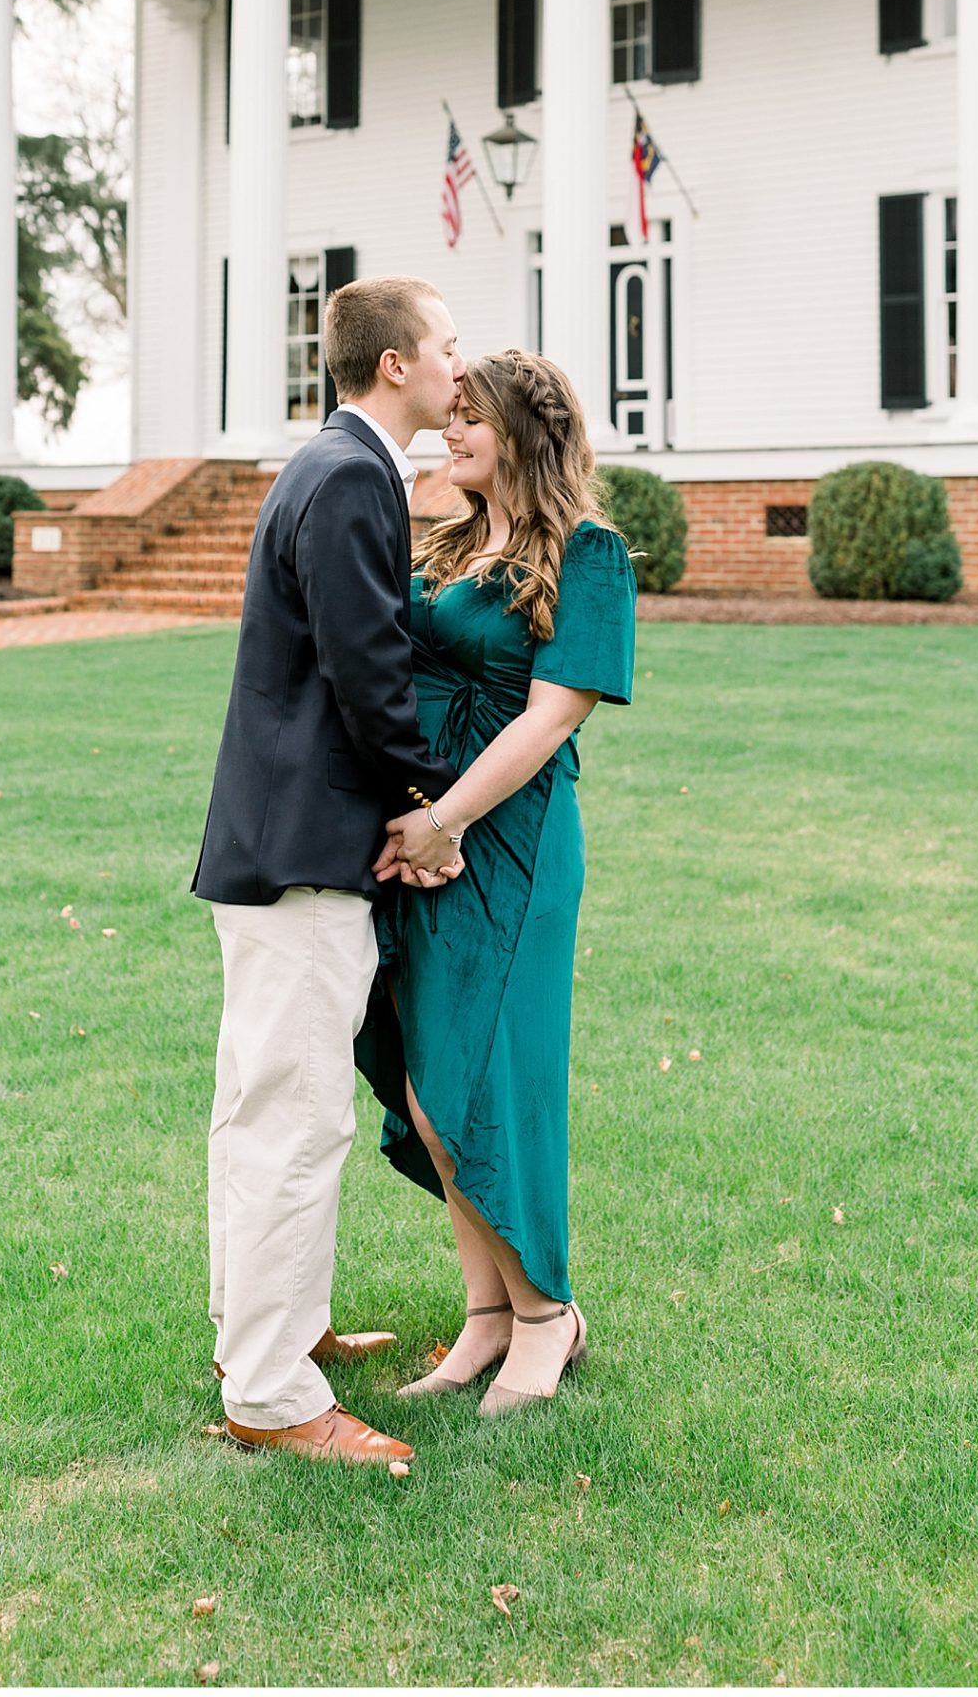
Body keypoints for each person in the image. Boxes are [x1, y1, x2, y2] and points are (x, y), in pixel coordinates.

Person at [194, 276, 468, 1467]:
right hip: (306, 853)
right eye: (448, 346)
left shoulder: (322, 465)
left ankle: (269, 1331)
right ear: (397, 363)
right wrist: (431, 809)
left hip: (273, 841)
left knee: (262, 1106)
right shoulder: (356, 475)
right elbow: (370, 675)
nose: (460, 367)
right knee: (294, 1120)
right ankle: (268, 1393)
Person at [362, 348, 638, 1416]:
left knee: (494, 1080)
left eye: (471, 417)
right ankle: (484, 1314)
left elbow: (551, 713)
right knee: (431, 1090)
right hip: (425, 839)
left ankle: (545, 1315)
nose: (450, 431)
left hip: (507, 845)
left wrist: (447, 819)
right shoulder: (456, 538)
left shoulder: (590, 553)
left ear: (527, 430)